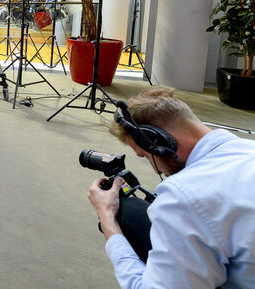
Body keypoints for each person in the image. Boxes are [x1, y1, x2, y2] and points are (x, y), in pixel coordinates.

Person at [87, 87, 255, 289]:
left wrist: (107, 219)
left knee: (127, 213)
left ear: (160, 143)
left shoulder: (183, 197)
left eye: (146, 156)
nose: (153, 165)